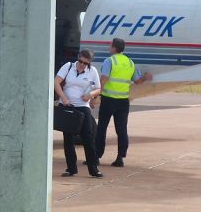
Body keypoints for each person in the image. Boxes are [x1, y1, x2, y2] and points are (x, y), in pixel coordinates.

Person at [95, 38, 153, 168]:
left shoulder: (109, 61)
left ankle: (96, 156)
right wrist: (145, 77)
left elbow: (103, 79)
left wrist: (95, 95)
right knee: (121, 129)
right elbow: (137, 81)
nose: (109, 47)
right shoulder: (130, 63)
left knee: (102, 128)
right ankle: (120, 157)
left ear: (114, 47)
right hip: (123, 102)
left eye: (110, 45)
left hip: (108, 99)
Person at [54, 49, 103, 178]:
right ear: (78, 58)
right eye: (80, 61)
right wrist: (63, 98)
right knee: (68, 138)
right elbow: (56, 82)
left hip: (82, 106)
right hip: (67, 105)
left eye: (85, 63)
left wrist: (90, 95)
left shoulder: (92, 71)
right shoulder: (68, 66)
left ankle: (93, 168)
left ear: (89, 63)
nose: (81, 64)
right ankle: (71, 168)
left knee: (88, 136)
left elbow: (98, 88)